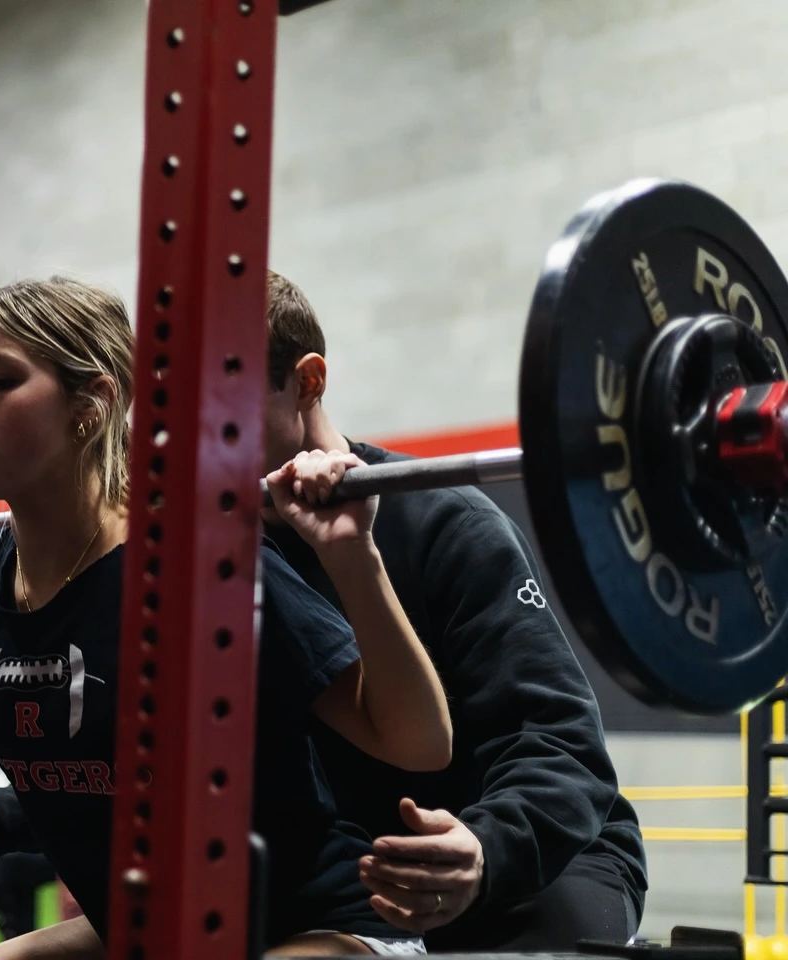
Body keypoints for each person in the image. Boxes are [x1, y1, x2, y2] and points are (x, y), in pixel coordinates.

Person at [0, 276, 453, 958]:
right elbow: (26, 715)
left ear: (91, 404)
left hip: (313, 924)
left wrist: (355, 557)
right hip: (153, 926)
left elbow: (420, 741)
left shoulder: (191, 556)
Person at [251, 270, 647, 950]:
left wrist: (485, 849)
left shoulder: (450, 524)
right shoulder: (215, 555)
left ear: (307, 381)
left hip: (528, 865)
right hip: (352, 878)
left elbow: (560, 745)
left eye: (215, 401)